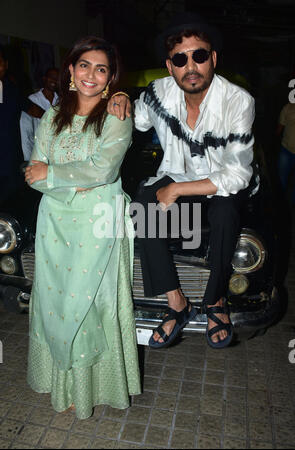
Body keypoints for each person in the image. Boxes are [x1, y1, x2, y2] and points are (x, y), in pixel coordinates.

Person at [108, 13, 256, 349]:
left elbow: (237, 175)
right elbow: (135, 120)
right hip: (178, 177)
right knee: (143, 204)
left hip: (219, 184)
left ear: (213, 59)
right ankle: (178, 304)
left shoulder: (238, 101)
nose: (191, 66)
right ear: (170, 66)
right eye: (180, 59)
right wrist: (118, 99)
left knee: (224, 211)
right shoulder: (159, 94)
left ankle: (216, 300)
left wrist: (176, 189)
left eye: (199, 55)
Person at [24, 36, 141, 419]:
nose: (92, 74)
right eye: (85, 65)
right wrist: (54, 179)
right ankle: (63, 384)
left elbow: (103, 169)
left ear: (110, 79)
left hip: (98, 223)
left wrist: (53, 174)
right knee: (55, 303)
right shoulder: (50, 119)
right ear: (71, 71)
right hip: (54, 223)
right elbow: (32, 172)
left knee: (89, 303)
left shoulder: (117, 117)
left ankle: (91, 388)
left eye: (102, 69)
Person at [0, 45, 44, 202]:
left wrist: (56, 117)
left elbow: (33, 110)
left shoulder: (11, 89)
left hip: (10, 162)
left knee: (10, 206)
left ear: (5, 65)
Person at [20, 67, 59, 161]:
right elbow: (26, 132)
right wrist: (28, 158)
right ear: (44, 78)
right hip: (39, 154)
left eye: (57, 78)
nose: (54, 80)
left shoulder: (61, 101)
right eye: (51, 77)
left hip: (57, 153)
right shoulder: (32, 100)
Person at [277, 101, 295, 203]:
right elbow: (279, 128)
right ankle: (282, 202)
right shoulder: (287, 107)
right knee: (281, 177)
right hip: (286, 149)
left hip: (286, 150)